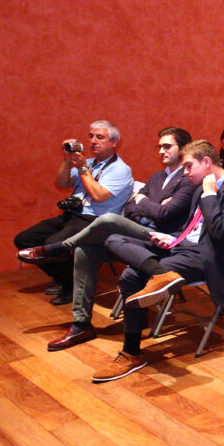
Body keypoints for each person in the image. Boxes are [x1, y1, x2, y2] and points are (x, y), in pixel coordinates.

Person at [18, 126, 195, 350]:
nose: (161, 151)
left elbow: (165, 215)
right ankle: (81, 324)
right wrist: (145, 204)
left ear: (183, 149)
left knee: (109, 219)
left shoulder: (188, 179)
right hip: (138, 234)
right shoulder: (157, 176)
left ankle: (60, 248)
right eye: (159, 146)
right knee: (85, 252)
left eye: (167, 146)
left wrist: (143, 203)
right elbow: (131, 208)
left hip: (163, 239)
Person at [93, 140, 224, 382]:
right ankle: (159, 273)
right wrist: (169, 237)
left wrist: (211, 196)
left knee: (131, 276)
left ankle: (132, 353)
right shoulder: (201, 187)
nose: (186, 172)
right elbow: (189, 226)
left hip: (211, 256)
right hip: (182, 247)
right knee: (114, 238)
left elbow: (220, 232)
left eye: (189, 166)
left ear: (207, 162)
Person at [13, 120, 135, 305]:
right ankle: (66, 279)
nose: (93, 141)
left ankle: (72, 286)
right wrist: (68, 160)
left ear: (114, 142)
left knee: (51, 245)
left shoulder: (121, 170)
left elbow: (98, 195)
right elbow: (61, 183)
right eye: (91, 136)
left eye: (100, 137)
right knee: (24, 240)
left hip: (96, 221)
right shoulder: (88, 163)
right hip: (72, 216)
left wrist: (83, 169)